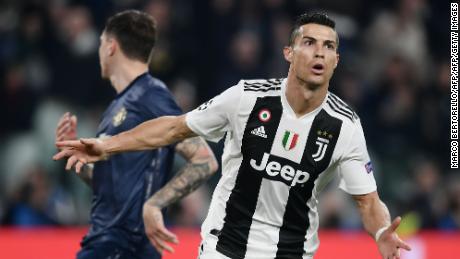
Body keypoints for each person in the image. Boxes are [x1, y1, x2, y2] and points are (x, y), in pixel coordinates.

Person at [54, 12, 411, 259]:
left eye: (329, 46)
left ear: (336, 61)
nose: (320, 51)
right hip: (223, 248)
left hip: (292, 252)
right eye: (310, 43)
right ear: (288, 53)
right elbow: (173, 127)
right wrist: (106, 145)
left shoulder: (344, 126)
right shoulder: (246, 98)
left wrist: (381, 233)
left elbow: (368, 202)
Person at [54, 10, 218, 259]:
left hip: (125, 244)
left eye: (100, 44)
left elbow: (205, 160)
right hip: (110, 241)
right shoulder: (118, 106)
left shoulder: (151, 95)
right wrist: (75, 156)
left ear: (111, 47)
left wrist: (155, 204)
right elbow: (114, 186)